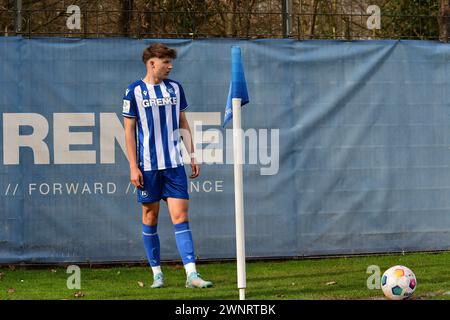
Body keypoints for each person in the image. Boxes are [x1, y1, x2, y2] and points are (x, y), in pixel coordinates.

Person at [122, 43, 213, 289]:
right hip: (148, 167)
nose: (170, 66)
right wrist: (133, 166)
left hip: (174, 165)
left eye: (171, 62)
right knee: (150, 217)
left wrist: (192, 154)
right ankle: (157, 274)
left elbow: (183, 121)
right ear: (152, 63)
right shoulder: (133, 92)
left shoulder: (175, 88)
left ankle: (191, 275)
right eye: (166, 62)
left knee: (181, 216)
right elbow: (129, 132)